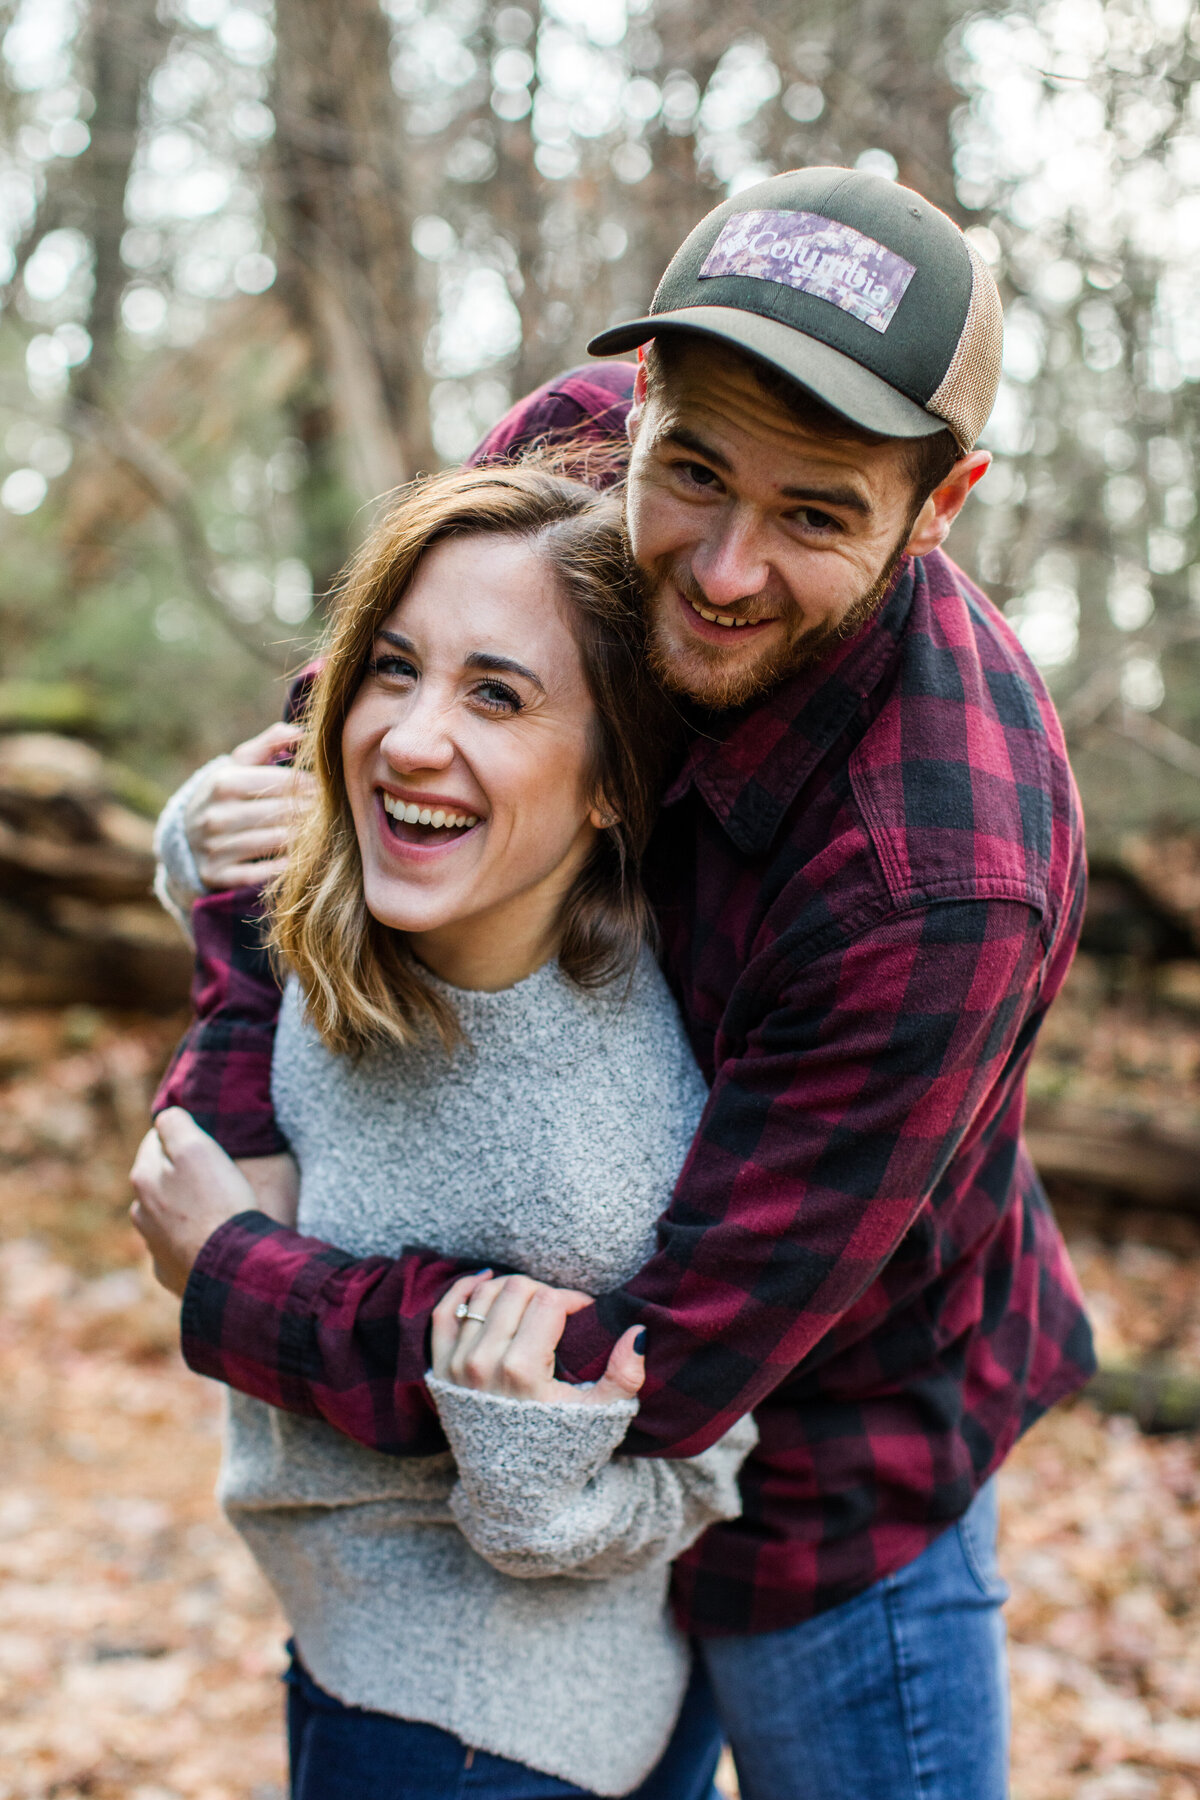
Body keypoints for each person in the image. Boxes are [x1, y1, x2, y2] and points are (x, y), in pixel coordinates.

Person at [134, 167, 1095, 1800]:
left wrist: (239, 1277)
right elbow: (334, 804)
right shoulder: (569, 458)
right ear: (636, 400)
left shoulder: (949, 873)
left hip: (826, 1460)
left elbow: (663, 1370)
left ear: (940, 508)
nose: (719, 567)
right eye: (696, 472)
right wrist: (238, 1090)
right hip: (522, 1521)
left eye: (814, 514)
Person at [133, 462, 756, 1799]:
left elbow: (693, 1478)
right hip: (364, 1639)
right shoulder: (384, 904)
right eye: (392, 670)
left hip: (483, 1727)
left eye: (498, 694)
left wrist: (534, 1476)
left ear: (612, 784)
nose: (412, 736)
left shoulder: (605, 1155)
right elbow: (256, 936)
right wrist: (193, 841)